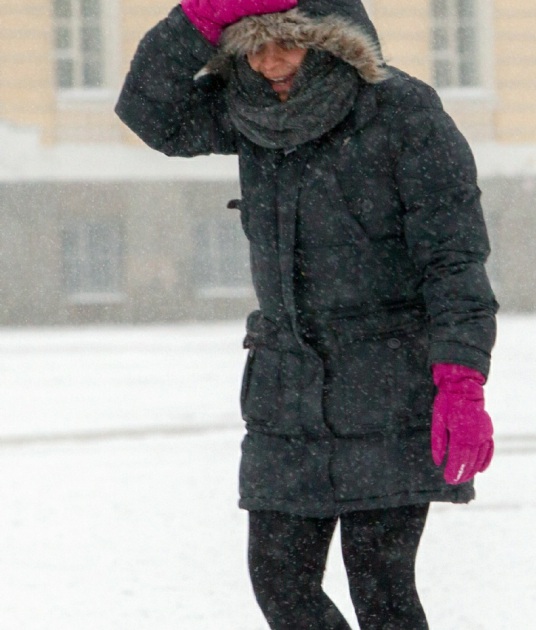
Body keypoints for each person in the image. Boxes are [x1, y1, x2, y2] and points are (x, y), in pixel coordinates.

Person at [116, 1, 498, 628]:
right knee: (281, 587)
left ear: (330, 44)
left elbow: (454, 260)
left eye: (286, 45)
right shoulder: (248, 110)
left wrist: (461, 378)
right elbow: (148, 111)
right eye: (252, 47)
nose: (270, 64)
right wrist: (201, 17)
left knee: (383, 592)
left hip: (388, 385)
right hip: (286, 392)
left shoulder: (403, 112)